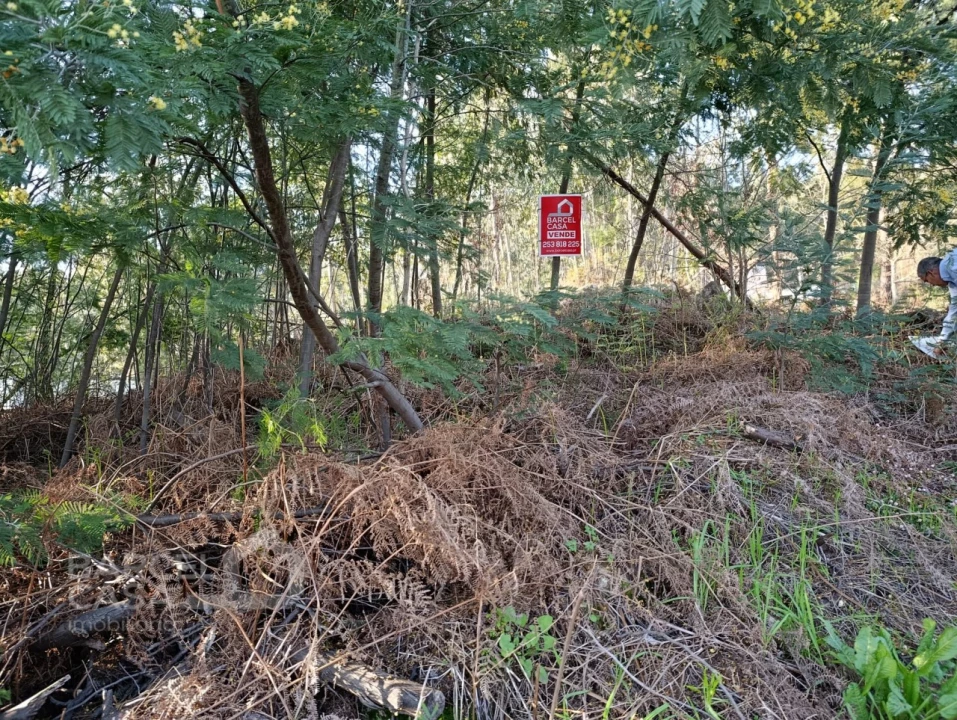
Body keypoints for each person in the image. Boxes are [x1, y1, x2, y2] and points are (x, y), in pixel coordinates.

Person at [917, 252, 957, 354]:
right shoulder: (952, 283)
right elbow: (954, 312)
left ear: (930, 273)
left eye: (927, 281)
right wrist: (942, 342)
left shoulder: (954, 265)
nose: (932, 285)